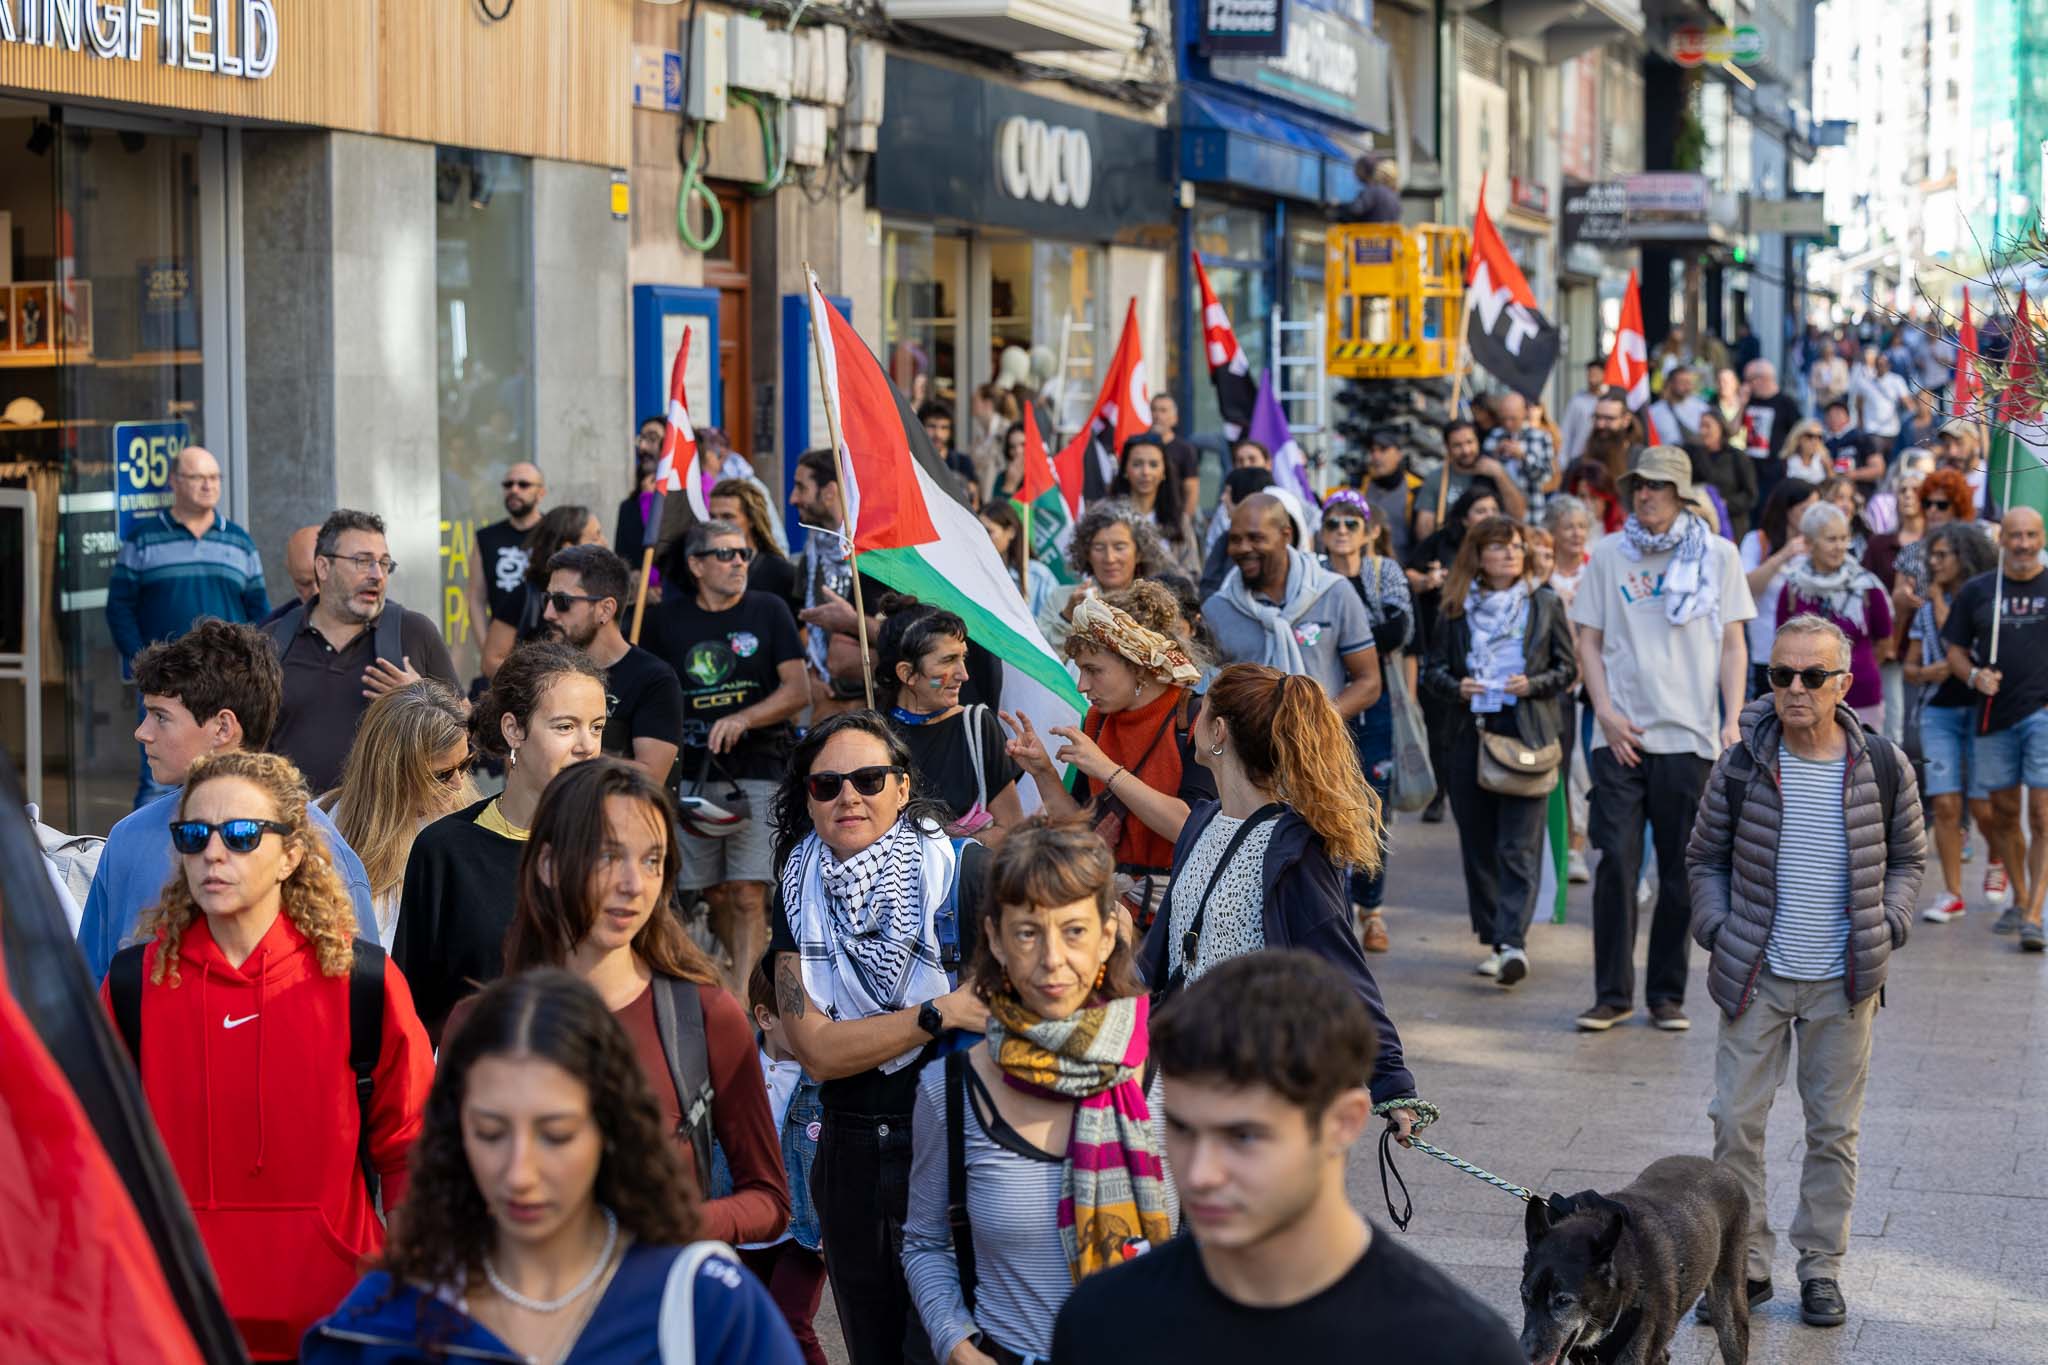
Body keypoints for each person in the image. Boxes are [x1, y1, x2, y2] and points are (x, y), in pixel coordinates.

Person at [103, 749, 434, 1362]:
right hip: (177, 1321)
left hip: (334, 1323)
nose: (214, 853)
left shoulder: (361, 983)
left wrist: (404, 1284)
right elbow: (92, 1149)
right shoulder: (133, 987)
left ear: (291, 854)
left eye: (242, 835)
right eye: (195, 834)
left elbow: (412, 1147)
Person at [302, 970, 803, 1364]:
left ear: (612, 1133)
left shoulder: (707, 1309)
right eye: (491, 1133)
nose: (520, 1172)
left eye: (556, 1135)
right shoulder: (384, 1318)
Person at [1049, 951, 1523, 1364]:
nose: (1200, 1173)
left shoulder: (1456, 1349)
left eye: (1244, 1137)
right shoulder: (1103, 1321)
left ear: (1344, 1122)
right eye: (1181, 1128)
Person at [1687, 615, 1924, 1332]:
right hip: (1755, 971)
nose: (1794, 688)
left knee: (1832, 1130)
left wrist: (1890, 923)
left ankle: (1820, 1267)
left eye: (1811, 676)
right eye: (1780, 674)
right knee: (1735, 1123)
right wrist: (1719, 929)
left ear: (1843, 684)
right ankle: (1745, 1267)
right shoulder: (1740, 763)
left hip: (1844, 979)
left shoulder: (1882, 763)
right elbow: (1704, 858)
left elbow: (1911, 859)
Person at [475, 758, 791, 1245]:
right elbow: (444, 1191)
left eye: (651, 860)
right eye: (607, 856)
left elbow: (769, 1199)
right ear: (549, 865)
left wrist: (673, 1226)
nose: (632, 884)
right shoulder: (481, 1025)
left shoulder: (706, 1017)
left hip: (657, 1309)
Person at [764, 712, 993, 1365]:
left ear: (902, 786)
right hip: (851, 1150)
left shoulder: (964, 872)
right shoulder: (796, 884)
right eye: (827, 784)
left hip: (953, 1149)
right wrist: (939, 1011)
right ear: (806, 798)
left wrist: (866, 1034)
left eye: (868, 778)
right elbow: (815, 1048)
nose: (848, 797)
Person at [904, 818, 1171, 1365]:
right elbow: (925, 1243)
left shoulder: (1166, 1076)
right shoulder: (949, 1089)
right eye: (1028, 932)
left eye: (1073, 931)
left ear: (1106, 938)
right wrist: (956, 1344)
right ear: (997, 942)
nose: (1052, 959)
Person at [1141, 664, 1419, 1130]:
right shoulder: (1201, 822)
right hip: (1178, 1076)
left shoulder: (1293, 850)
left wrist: (1393, 1086)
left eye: (1202, 707)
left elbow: (1341, 970)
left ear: (1220, 732)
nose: (1191, 718)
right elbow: (1163, 957)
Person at [77, 619, 375, 983]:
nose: (142, 732)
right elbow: (91, 1000)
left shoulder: (324, 854)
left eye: (160, 717)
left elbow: (360, 1008)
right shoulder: (127, 840)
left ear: (222, 728)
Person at [1571, 447, 1756, 1032]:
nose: (1644, 495)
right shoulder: (1608, 552)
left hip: (1689, 735)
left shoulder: (1718, 555)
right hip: (1622, 734)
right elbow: (1588, 641)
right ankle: (1612, 993)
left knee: (1681, 872)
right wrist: (1603, 712)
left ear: (1681, 494)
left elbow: (1733, 643)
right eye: (1639, 486)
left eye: (1657, 487)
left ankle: (1666, 995)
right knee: (1616, 866)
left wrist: (1731, 720)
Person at [395, 641, 608, 1041]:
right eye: (565, 727)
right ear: (514, 729)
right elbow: (412, 1013)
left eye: (596, 727)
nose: (586, 746)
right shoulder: (444, 850)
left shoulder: (619, 844)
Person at [645, 518, 811, 984]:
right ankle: (735, 974)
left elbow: (797, 690)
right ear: (696, 565)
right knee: (712, 891)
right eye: (726, 554)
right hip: (692, 773)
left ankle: (740, 1001)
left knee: (747, 891)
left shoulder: (769, 609)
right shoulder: (663, 620)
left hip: (759, 766)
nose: (740, 562)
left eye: (744, 554)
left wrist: (744, 718)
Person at [1421, 517, 1577, 986]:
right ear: (1478, 555)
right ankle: (1494, 936)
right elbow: (1432, 669)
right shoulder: (1454, 606)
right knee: (1479, 843)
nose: (1510, 554)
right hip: (1471, 730)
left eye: (1515, 546)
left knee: (1519, 844)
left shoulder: (1543, 602)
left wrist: (1533, 684)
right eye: (1497, 546)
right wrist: (1457, 686)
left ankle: (1513, 943)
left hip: (1525, 729)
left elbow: (1566, 668)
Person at [1004, 584, 1213, 932]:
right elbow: (1082, 831)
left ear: (1139, 666)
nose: (1082, 685)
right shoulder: (1098, 722)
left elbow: (1189, 827)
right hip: (1111, 909)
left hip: (1181, 911)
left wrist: (1108, 769)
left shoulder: (1195, 719)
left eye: (1094, 670)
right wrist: (1042, 771)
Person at [107, 444, 270, 806]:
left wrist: (250, 673)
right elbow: (118, 607)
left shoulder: (239, 541)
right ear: (175, 482)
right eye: (198, 477)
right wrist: (143, 665)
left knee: (229, 774)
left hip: (226, 687)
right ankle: (154, 859)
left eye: (214, 478)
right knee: (158, 784)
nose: (208, 485)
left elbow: (260, 613)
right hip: (166, 687)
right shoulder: (144, 539)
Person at [267, 509, 461, 794]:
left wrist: (421, 699)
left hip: (391, 830)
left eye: (384, 564)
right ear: (322, 567)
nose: (377, 575)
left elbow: (467, 729)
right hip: (293, 827)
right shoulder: (272, 641)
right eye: (362, 562)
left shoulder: (414, 633)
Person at [1943, 506, 2048, 950]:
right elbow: (1955, 649)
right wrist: (1973, 677)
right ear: (2001, 539)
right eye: (2014, 535)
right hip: (1992, 717)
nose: (2022, 543)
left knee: (2042, 814)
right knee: (2003, 816)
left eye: (2030, 535)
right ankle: (2021, 898)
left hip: (2042, 714)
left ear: (2042, 537)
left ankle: (2034, 913)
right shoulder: (1978, 591)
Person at [712, 962, 828, 1364]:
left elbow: (837, 1160)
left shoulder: (824, 1080)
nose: (817, 1024)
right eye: (804, 1014)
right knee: (743, 1326)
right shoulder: (733, 1066)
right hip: (743, 1222)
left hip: (803, 1232)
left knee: (790, 1321)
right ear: (766, 1017)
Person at [320, 679, 478, 949]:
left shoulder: (475, 824)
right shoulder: (325, 827)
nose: (458, 783)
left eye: (465, 764)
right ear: (393, 774)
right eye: (441, 775)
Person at [1318, 490, 1411, 949]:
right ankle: (1334, 904)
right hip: (1324, 705)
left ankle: (1371, 909)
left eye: (1351, 523)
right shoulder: (1312, 575)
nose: (1341, 532)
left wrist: (1345, 636)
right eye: (1333, 523)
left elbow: (1398, 630)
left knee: (1374, 804)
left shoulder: (1383, 572)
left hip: (1374, 707)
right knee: (1326, 801)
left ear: (1369, 531)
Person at [1205, 494, 1381, 723]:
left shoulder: (1333, 592)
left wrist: (1319, 725)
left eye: (1255, 538)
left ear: (1285, 535)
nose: (1243, 548)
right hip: (1246, 754)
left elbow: (1369, 681)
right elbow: (1207, 692)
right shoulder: (1217, 610)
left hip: (1320, 753)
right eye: (1235, 539)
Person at [1905, 523, 1999, 923]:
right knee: (1944, 802)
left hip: (1980, 713)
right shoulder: (1925, 608)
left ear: (1965, 557)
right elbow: (1910, 666)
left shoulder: (1985, 604)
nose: (1934, 562)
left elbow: (1965, 644)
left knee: (1981, 806)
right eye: (1933, 555)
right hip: (1938, 712)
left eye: (1943, 555)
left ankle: (2000, 855)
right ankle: (1952, 891)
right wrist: (1930, 673)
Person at [876, 595, 1026, 840]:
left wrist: (944, 854)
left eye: (963, 658)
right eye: (948, 661)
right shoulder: (870, 737)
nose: (964, 675)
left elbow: (1012, 830)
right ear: (907, 674)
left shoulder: (977, 727)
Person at [542, 543, 684, 784]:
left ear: (605, 610)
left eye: (562, 601)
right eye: (547, 598)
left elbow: (652, 775)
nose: (548, 613)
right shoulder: (545, 671)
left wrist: (569, 754)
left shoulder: (654, 679)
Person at [1775, 502, 1893, 728]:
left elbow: (1885, 642)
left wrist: (1845, 673)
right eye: (1831, 539)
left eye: (1843, 538)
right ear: (1809, 543)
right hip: (1806, 702)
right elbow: (1783, 645)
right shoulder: (1792, 588)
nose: (1839, 546)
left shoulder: (1866, 586)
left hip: (1861, 695)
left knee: (1863, 761)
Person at [481, 503, 604, 678]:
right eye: (595, 537)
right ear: (568, 547)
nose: (604, 543)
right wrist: (543, 681)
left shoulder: (601, 592)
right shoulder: (524, 595)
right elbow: (491, 661)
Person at [1040, 500, 1174, 649]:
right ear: (1086, 554)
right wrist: (1067, 617)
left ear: (1139, 553)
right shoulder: (1061, 599)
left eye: (1119, 547)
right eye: (1099, 548)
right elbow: (1042, 662)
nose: (1109, 558)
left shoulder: (1156, 604)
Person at [1544, 497, 1596, 884]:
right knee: (1560, 767)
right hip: (1556, 686)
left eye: (1582, 526)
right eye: (1568, 526)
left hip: (1591, 687)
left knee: (1582, 770)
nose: (1576, 534)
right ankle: (1557, 848)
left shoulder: (1596, 572)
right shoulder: (1543, 577)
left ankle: (1577, 846)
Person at [1740, 478, 1822, 698]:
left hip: (1808, 653)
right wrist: (1784, 554)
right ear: (1787, 510)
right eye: (1805, 509)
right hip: (1764, 650)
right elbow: (1747, 587)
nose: (1812, 516)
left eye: (1816, 509)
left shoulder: (1818, 545)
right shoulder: (1756, 541)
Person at [472, 460, 547, 675]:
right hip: (502, 653)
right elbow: (476, 599)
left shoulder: (553, 533)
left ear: (541, 492)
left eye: (523, 484)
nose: (514, 489)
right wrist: (488, 648)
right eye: (508, 484)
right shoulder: (486, 537)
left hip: (546, 653)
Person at [1415, 420, 1526, 539]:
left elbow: (1518, 515)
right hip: (1453, 546)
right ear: (1447, 447)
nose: (1466, 450)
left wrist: (1500, 475)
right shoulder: (1437, 478)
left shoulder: (1496, 471)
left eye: (1470, 442)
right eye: (1457, 445)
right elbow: (1425, 525)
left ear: (1478, 441)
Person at [711, 476, 802, 614]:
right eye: (712, 517)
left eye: (727, 517)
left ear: (752, 519)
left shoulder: (781, 574)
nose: (717, 524)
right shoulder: (703, 569)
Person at [1113, 433, 1200, 572]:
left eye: (1153, 465)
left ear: (1163, 471)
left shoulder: (1179, 520)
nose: (1145, 472)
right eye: (1137, 464)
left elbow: (1193, 575)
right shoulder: (1108, 517)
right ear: (1125, 470)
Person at [1479, 391, 1558, 518]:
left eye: (1513, 418)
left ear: (1524, 412)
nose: (1508, 423)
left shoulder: (1540, 437)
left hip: (1532, 510)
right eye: (1504, 419)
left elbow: (1545, 476)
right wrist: (1496, 454)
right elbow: (1482, 467)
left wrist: (1523, 456)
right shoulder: (1495, 435)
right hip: (1501, 510)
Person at [978, 499, 1059, 620]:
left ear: (1010, 532)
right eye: (979, 530)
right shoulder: (974, 569)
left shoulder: (1038, 575)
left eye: (989, 531)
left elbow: (1055, 624)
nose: (982, 537)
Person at [1686, 408, 1759, 539]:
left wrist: (1723, 504)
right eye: (1701, 426)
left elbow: (1750, 495)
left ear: (1720, 427)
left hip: (1732, 526)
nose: (1703, 431)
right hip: (1701, 525)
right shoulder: (1694, 455)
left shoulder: (1737, 457)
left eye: (1707, 426)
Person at [1741, 359, 1804, 495]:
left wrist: (1787, 454)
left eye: (1750, 380)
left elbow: (1799, 431)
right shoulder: (1748, 401)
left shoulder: (1786, 403)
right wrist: (1741, 404)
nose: (1747, 385)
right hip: (1749, 468)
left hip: (1774, 470)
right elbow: (1732, 430)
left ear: (1762, 379)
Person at [612, 415, 665, 576]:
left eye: (652, 439)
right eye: (640, 439)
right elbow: (623, 562)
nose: (642, 447)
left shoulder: (686, 504)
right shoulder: (629, 507)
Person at [1358, 427, 1422, 559]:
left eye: (1383, 450)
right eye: (1372, 451)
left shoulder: (1416, 489)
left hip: (1404, 570)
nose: (1376, 456)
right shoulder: (1358, 488)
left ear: (1399, 454)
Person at [1149, 392, 1203, 514]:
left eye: (1163, 411)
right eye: (1154, 410)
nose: (1157, 415)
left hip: (1172, 517)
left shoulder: (1185, 449)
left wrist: (1185, 522)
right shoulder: (1139, 446)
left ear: (1175, 418)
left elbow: (1192, 490)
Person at [1585, 392, 1645, 480]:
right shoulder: (1580, 463)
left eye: (1609, 418)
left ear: (1626, 420)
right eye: (1597, 417)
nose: (1600, 424)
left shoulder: (1641, 461)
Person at [1647, 365, 1709, 447]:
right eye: (1682, 382)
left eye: (1689, 382)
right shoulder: (1654, 412)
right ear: (1670, 384)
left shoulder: (1702, 408)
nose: (1687, 386)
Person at [1558, 361, 1606, 464]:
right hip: (1578, 459)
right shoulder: (1577, 401)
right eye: (1590, 374)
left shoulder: (1608, 401)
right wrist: (1563, 461)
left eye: (1596, 374)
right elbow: (1566, 432)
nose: (1592, 378)